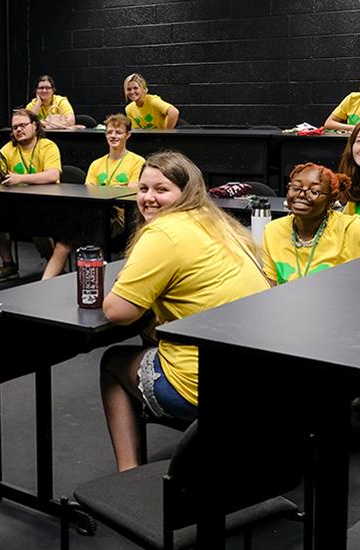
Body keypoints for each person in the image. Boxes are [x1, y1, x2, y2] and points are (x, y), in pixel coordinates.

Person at [100, 152, 268, 472]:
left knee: (112, 362)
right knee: (151, 334)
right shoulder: (216, 222)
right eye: (143, 189)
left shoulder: (163, 233)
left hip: (205, 385)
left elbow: (118, 311)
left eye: (161, 190)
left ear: (184, 193)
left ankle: (127, 476)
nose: (148, 198)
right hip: (255, 383)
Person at [40, 113, 142, 280]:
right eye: (109, 132)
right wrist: (114, 188)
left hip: (118, 216)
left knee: (96, 237)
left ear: (128, 135)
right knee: (62, 244)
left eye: (118, 132)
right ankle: (43, 285)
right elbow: (88, 192)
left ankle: (94, 283)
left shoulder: (137, 162)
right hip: (93, 214)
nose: (113, 136)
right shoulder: (97, 164)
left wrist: (107, 190)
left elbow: (131, 190)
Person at [262, 163, 360, 286]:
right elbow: (270, 285)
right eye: (296, 187)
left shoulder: (349, 228)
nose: (301, 194)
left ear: (331, 201)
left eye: (314, 191)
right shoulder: (273, 230)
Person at [0, 109, 62, 282]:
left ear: (34, 125)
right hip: (18, 203)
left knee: (36, 225)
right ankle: (8, 265)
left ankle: (54, 267)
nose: (18, 130)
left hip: (45, 202)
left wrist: (20, 178)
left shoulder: (47, 146)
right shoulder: (10, 148)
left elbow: (53, 175)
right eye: (15, 127)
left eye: (23, 125)